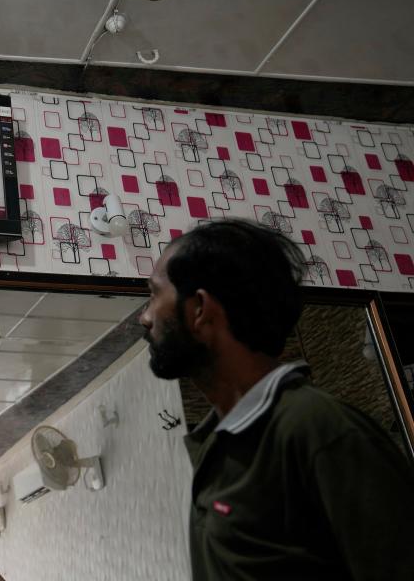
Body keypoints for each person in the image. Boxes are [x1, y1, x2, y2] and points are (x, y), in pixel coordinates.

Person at [139, 218, 414, 580]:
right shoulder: (217, 445)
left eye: (155, 294)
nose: (145, 317)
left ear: (199, 310)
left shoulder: (321, 431)